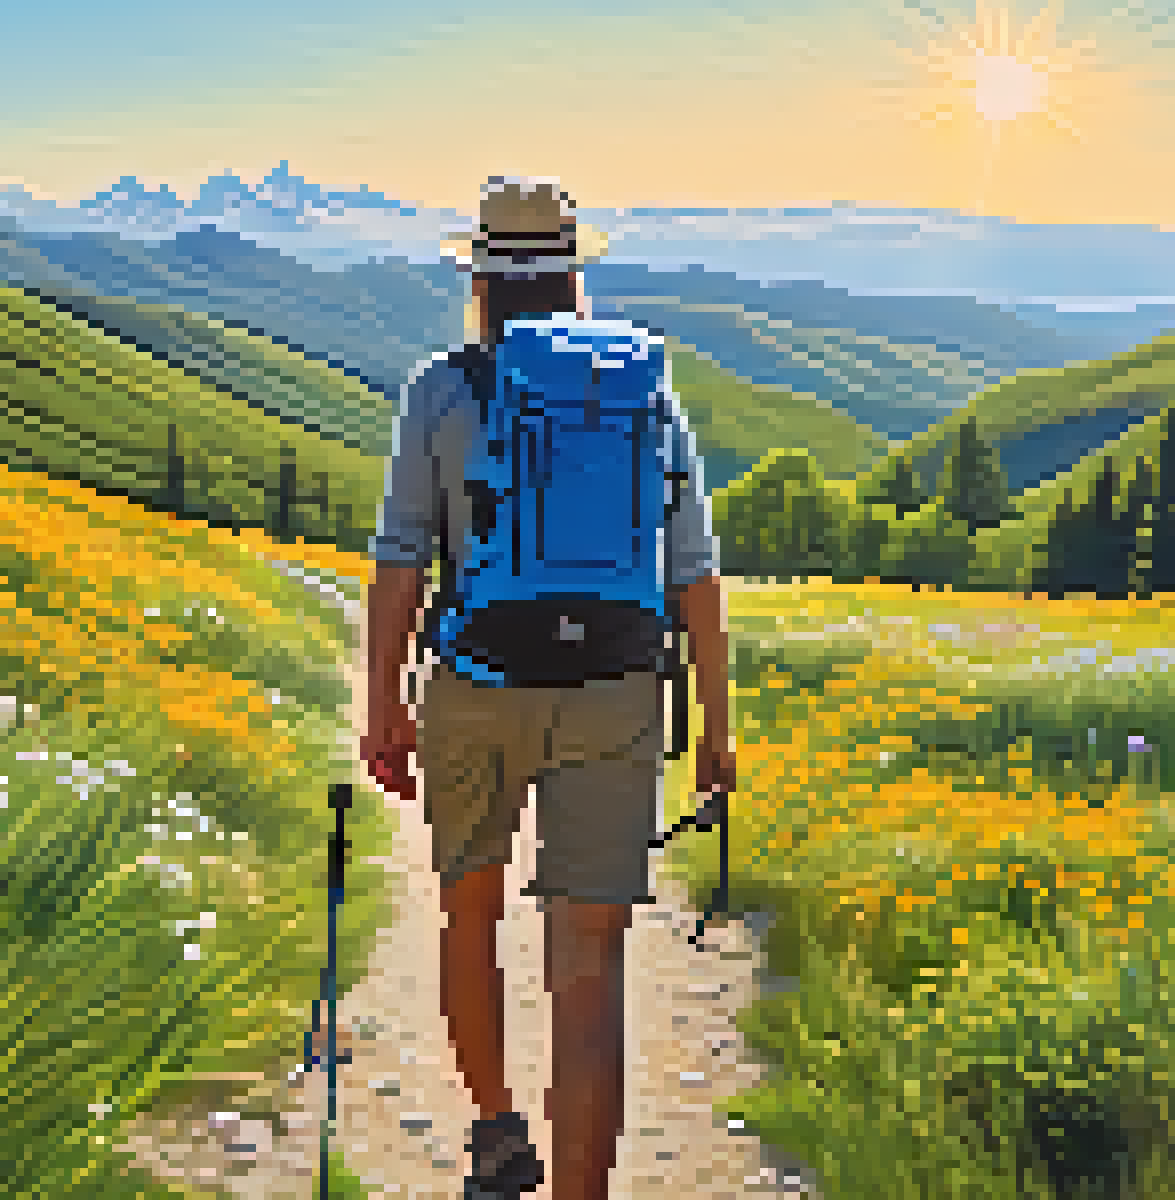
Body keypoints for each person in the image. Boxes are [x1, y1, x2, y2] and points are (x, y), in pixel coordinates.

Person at [359, 176, 737, 1200]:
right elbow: (692, 567)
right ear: (573, 276)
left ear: (480, 279)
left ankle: (494, 1128)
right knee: (588, 969)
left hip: (477, 683)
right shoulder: (642, 391)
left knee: (468, 912)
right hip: (617, 690)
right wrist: (715, 725)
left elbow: (402, 557)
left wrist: (383, 704)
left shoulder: (441, 390)